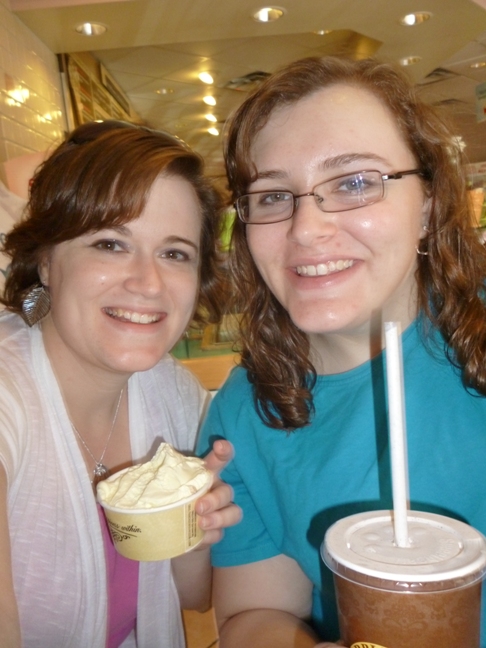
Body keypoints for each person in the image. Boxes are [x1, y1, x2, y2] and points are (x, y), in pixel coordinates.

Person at [197, 55, 486, 647]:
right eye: (273, 195)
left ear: (428, 205)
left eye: (354, 182)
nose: (305, 229)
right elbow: (255, 614)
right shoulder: (243, 414)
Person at [0, 119, 240, 648]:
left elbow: (193, 597)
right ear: (45, 260)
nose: (148, 283)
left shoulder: (174, 395)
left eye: (174, 253)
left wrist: (194, 527)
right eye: (110, 244)